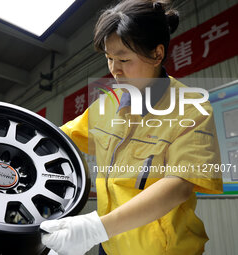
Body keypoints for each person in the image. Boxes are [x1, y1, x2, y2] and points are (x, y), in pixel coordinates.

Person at [40, 0, 223, 254]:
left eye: (124, 59)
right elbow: (58, 139)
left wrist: (93, 228)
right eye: (109, 58)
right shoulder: (107, 106)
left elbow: (178, 185)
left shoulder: (191, 110)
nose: (115, 69)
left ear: (157, 54)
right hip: (110, 244)